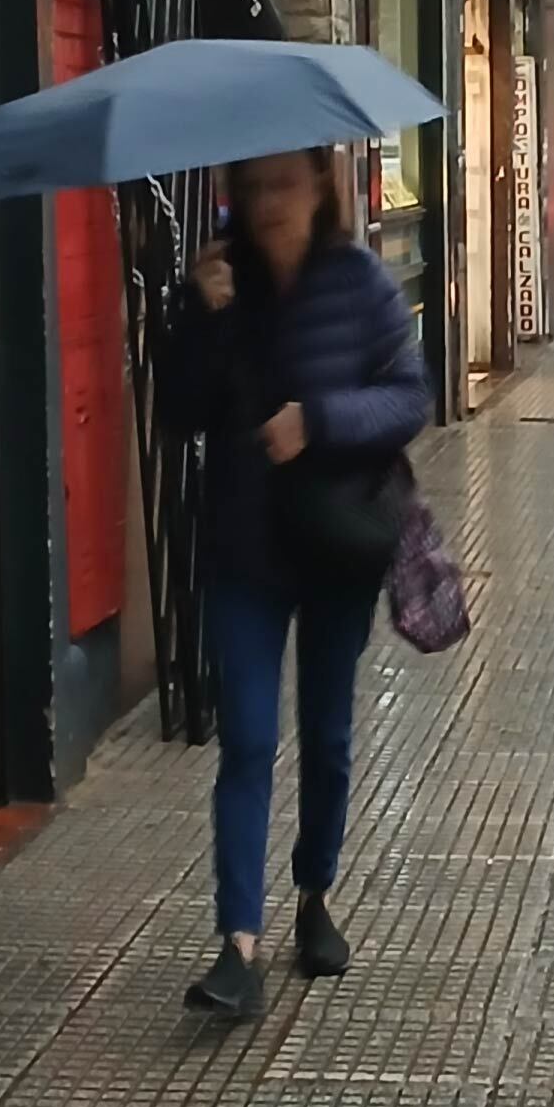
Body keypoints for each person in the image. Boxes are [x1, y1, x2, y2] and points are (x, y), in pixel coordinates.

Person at [158, 146, 429, 1016]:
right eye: (254, 184)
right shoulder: (218, 282)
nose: (270, 201)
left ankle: (315, 897)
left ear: (320, 186)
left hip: (334, 542)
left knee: (327, 732)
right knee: (244, 737)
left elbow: (409, 396)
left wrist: (316, 420)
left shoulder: (358, 282)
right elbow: (179, 412)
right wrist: (198, 318)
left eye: (286, 182)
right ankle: (238, 940)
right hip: (244, 545)